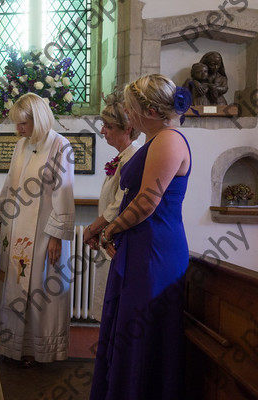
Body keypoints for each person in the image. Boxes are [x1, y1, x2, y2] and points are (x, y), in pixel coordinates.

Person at [89, 74, 192, 400]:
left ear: (149, 109)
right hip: (142, 243)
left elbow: (147, 202)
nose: (128, 115)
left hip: (155, 248)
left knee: (140, 330)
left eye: (132, 109)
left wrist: (109, 229)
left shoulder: (168, 140)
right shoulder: (155, 139)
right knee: (127, 325)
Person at [0, 93, 75, 367]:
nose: (19, 129)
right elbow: (10, 185)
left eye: (23, 123)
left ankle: (37, 351)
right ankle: (12, 347)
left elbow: (63, 194)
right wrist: (1, 220)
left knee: (38, 287)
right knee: (14, 286)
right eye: (17, 124)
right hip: (16, 232)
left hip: (43, 233)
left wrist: (56, 235)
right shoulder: (21, 145)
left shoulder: (59, 146)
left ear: (39, 120)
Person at [83, 90, 140, 320]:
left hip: (117, 244)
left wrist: (91, 230)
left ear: (126, 128)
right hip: (108, 241)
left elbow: (117, 207)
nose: (103, 131)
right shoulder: (121, 158)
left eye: (108, 126)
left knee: (115, 314)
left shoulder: (131, 159)